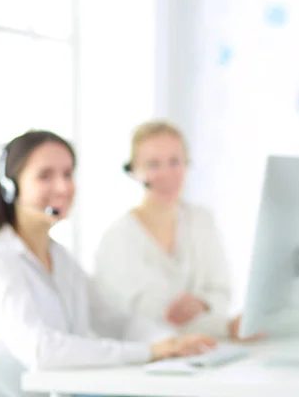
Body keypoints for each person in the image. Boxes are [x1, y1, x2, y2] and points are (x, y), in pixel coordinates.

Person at [0, 130, 216, 397]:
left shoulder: (61, 259)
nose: (62, 187)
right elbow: (42, 351)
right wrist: (148, 352)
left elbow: (116, 320)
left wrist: (168, 341)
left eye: (68, 174)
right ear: (11, 186)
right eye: (45, 175)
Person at [92, 121, 255, 340]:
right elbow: (155, 318)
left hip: (201, 349)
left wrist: (203, 304)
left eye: (175, 162)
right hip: (142, 359)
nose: (166, 174)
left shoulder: (202, 220)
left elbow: (222, 291)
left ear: (187, 165)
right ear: (134, 170)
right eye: (153, 164)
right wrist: (226, 328)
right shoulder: (118, 239)